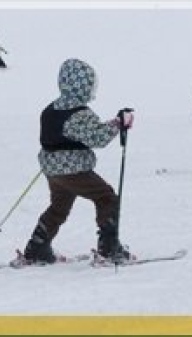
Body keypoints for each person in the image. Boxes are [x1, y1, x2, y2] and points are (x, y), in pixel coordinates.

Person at [19, 58, 134, 265]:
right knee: (106, 197)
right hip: (74, 170)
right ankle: (109, 248)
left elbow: (63, 136)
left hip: (52, 171)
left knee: (59, 206)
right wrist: (119, 123)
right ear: (82, 87)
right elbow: (98, 138)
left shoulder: (50, 109)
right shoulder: (79, 113)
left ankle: (37, 247)